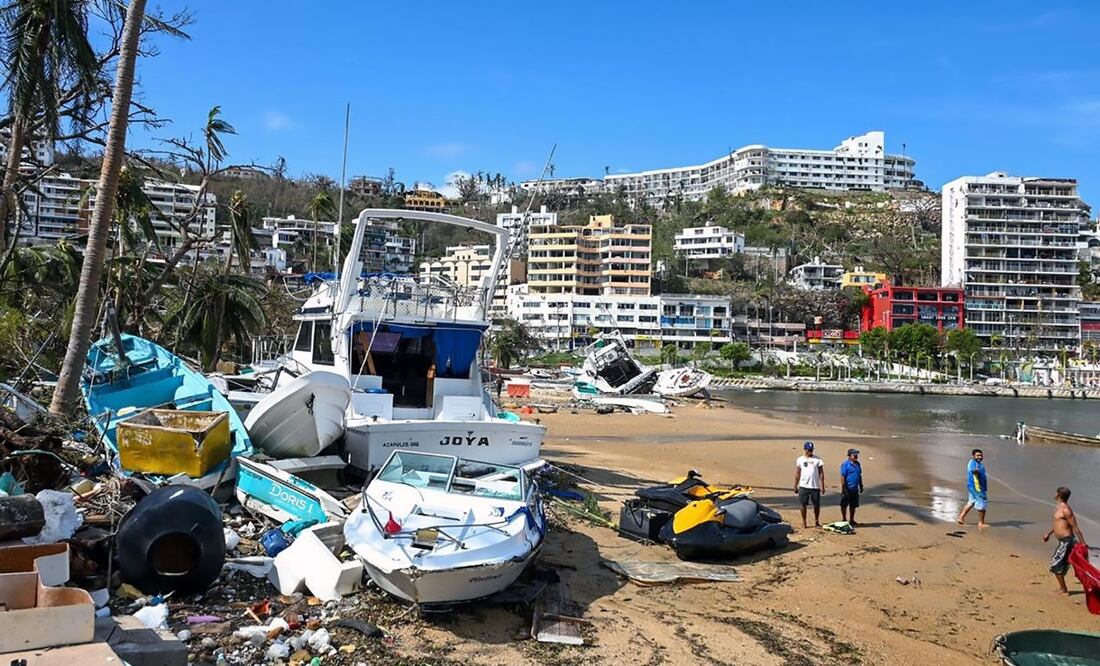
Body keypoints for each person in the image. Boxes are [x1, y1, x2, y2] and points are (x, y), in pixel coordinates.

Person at [1043, 486, 1087, 595]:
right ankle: (1064, 588)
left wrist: (1083, 544)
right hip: (1063, 541)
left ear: (1058, 495)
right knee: (1059, 565)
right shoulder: (1059, 507)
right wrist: (1048, 533)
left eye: (1056, 492)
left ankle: (1063, 590)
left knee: (1056, 564)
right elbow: (1058, 524)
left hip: (1067, 542)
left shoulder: (1066, 510)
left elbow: (1075, 527)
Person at [794, 441, 825, 529]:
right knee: (803, 504)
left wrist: (822, 485)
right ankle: (804, 522)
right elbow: (797, 473)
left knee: (817, 504)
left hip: (815, 486)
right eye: (808, 450)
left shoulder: (818, 460)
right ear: (805, 450)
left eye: (811, 450)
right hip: (803, 485)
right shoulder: (800, 459)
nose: (810, 452)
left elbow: (821, 473)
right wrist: (795, 485)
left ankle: (816, 521)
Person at [956, 449, 988, 529]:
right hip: (977, 488)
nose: (979, 457)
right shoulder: (973, 463)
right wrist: (975, 471)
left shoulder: (978, 463)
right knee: (982, 504)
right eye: (977, 455)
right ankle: (981, 523)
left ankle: (961, 517)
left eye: (981, 455)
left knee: (971, 502)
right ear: (973, 456)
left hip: (972, 487)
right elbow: (973, 471)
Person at [839, 448, 864, 525]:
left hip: (855, 489)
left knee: (853, 505)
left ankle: (851, 519)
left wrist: (861, 485)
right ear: (849, 456)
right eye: (854, 455)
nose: (856, 456)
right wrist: (844, 488)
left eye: (856, 455)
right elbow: (843, 476)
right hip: (847, 488)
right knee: (844, 504)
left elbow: (859, 475)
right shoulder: (845, 464)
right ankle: (844, 519)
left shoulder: (858, 464)